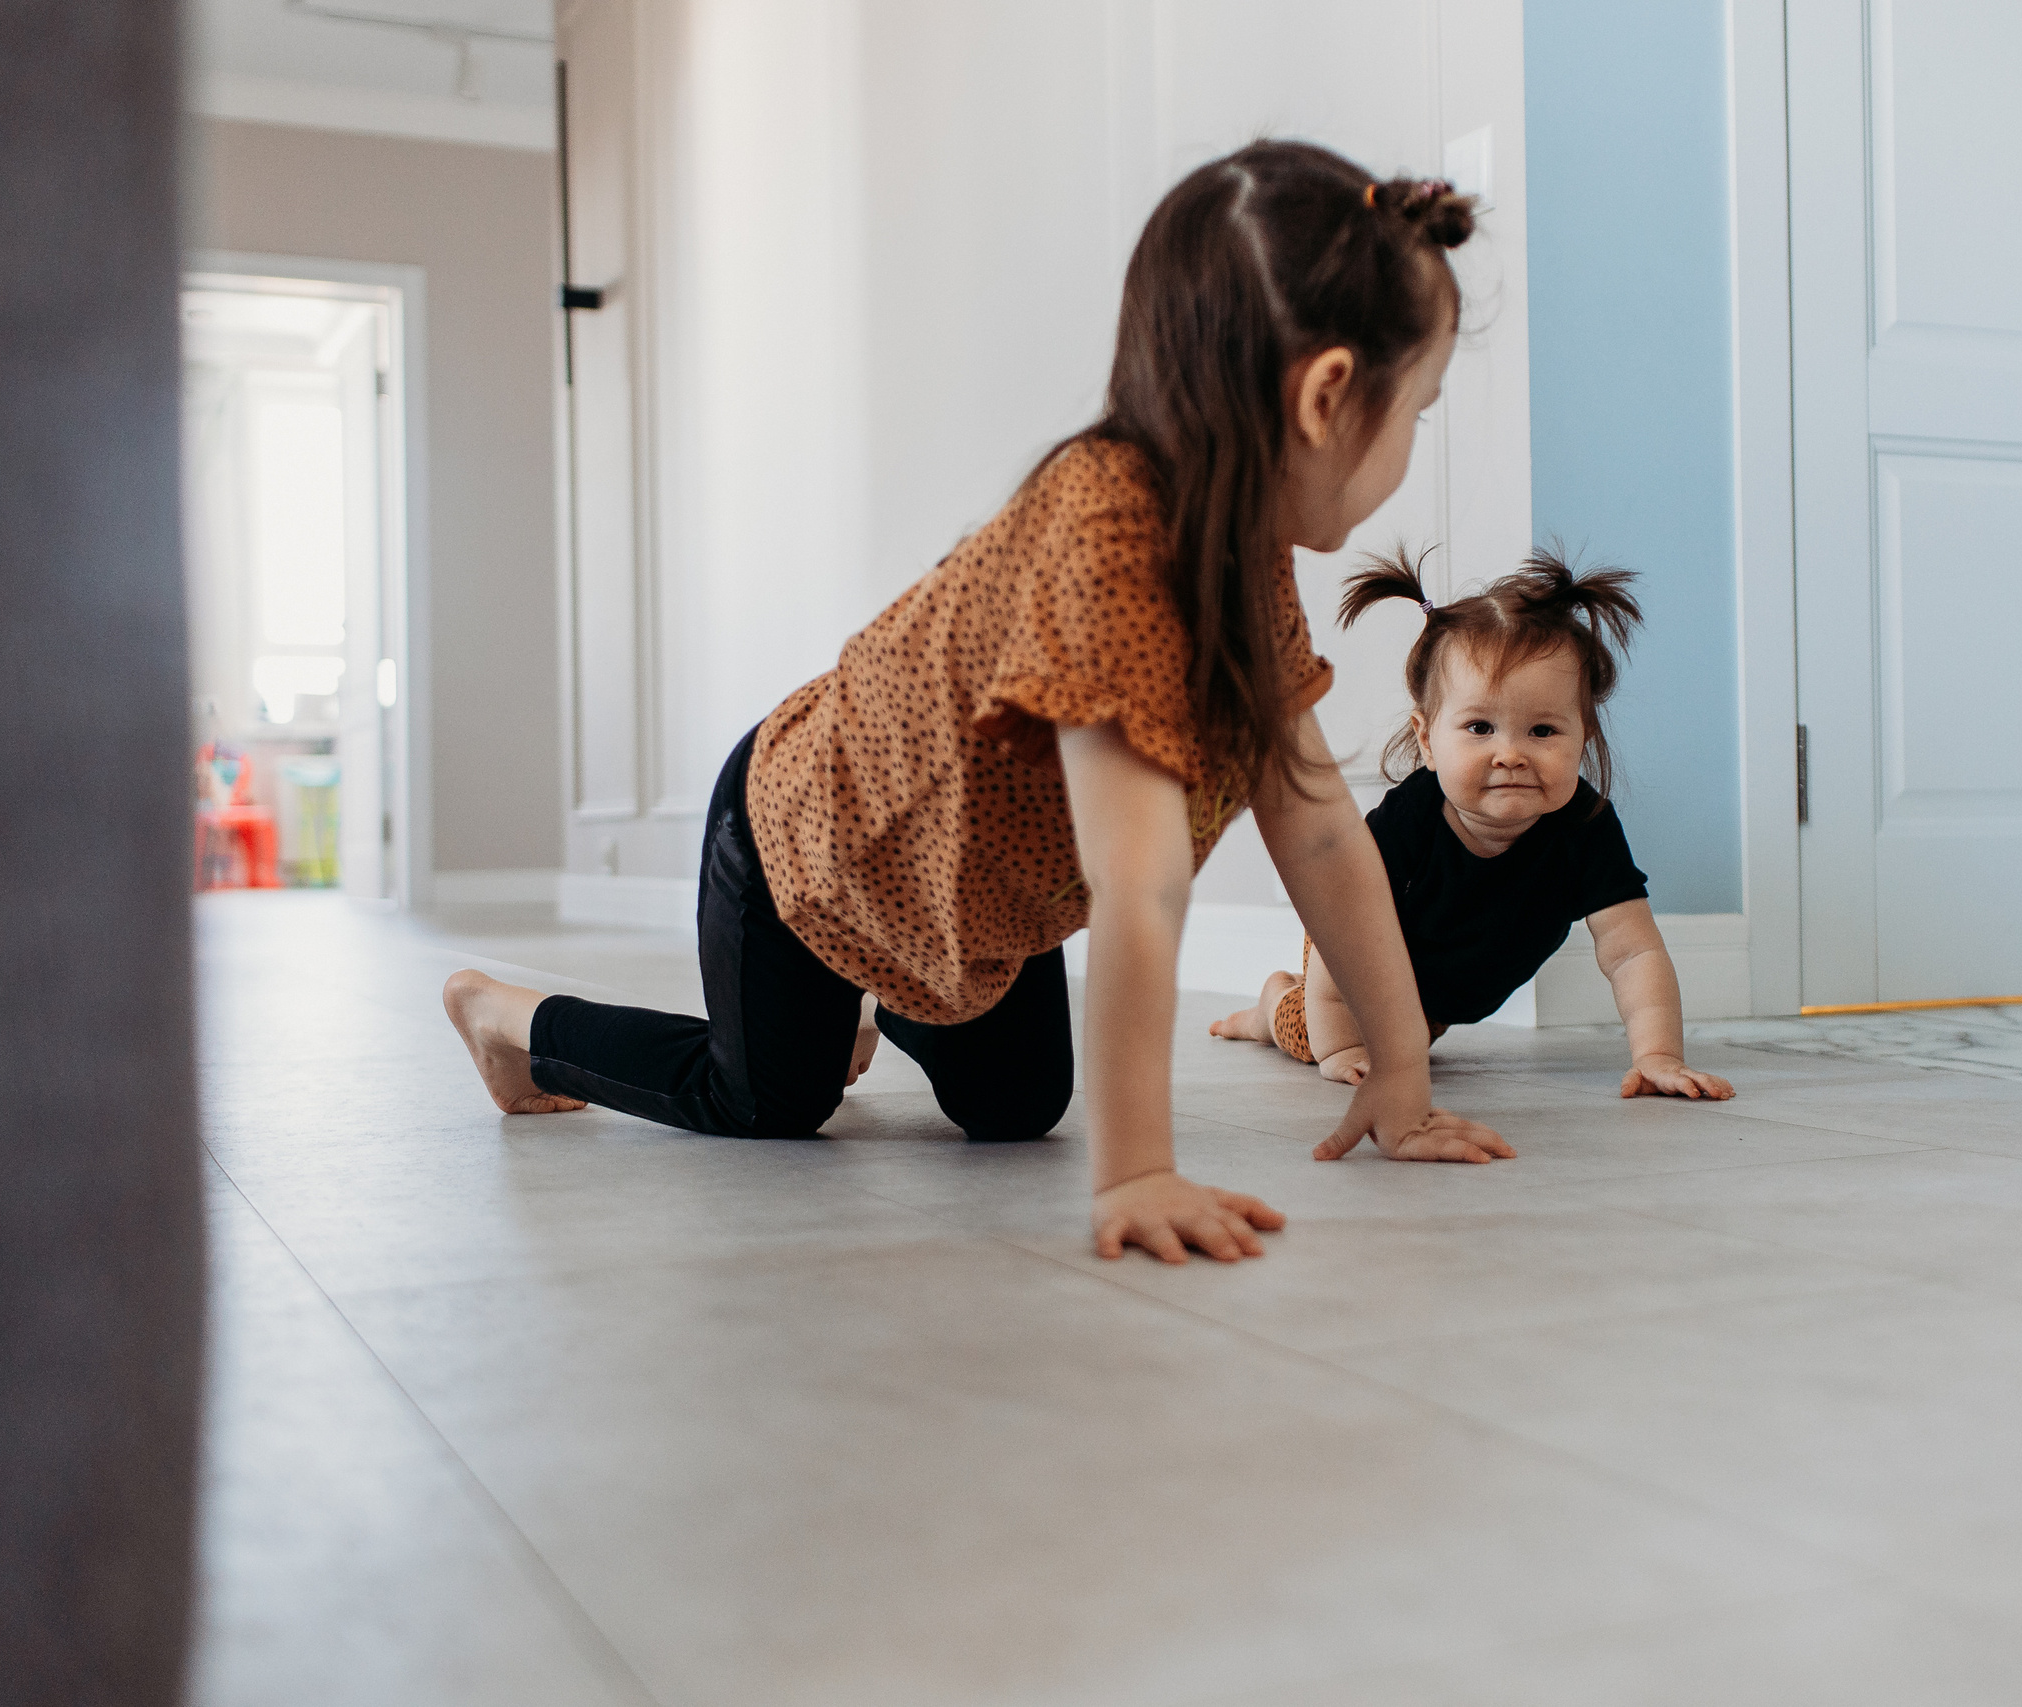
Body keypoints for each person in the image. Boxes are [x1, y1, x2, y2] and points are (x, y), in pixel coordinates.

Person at [443, 141, 1512, 1266]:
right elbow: (1139, 889)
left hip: (965, 895)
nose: (1408, 449)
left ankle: (886, 993)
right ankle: (508, 1020)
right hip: (809, 848)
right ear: (1326, 395)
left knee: (1017, 1109)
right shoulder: (1104, 547)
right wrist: (1138, 1173)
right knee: (764, 1102)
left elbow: (1319, 823)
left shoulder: (1238, 554)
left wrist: (1402, 1075)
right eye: (1418, 415)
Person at [1210, 548, 1736, 1103]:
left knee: (1414, 1032)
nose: (1509, 754)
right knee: (1320, 1034)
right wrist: (1343, 1050)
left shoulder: (1586, 825)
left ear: (1583, 734)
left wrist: (1658, 1056)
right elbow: (1345, 933)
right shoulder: (1408, 821)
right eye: (1480, 727)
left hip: (1436, 998)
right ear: (1427, 739)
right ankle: (1271, 1008)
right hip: (1351, 956)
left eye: (1542, 731)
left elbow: (1634, 953)